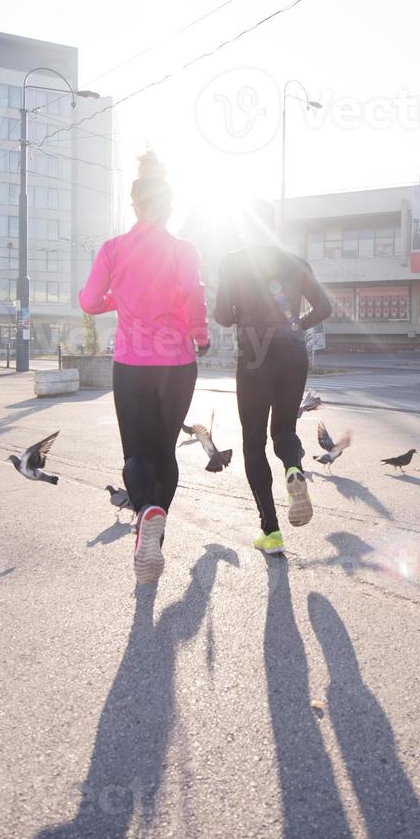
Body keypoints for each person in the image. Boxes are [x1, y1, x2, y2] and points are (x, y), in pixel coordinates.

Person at [79, 151, 209, 585]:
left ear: (133, 205)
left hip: (132, 364)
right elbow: (193, 296)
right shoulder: (183, 250)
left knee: (136, 453)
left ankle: (144, 518)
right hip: (177, 365)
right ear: (169, 207)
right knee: (165, 452)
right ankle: (154, 533)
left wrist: (118, 297)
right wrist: (202, 335)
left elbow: (88, 301)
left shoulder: (113, 250)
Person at [214, 200, 331, 555]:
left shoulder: (233, 261)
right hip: (293, 352)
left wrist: (237, 309)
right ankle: (294, 469)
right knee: (284, 431)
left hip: (254, 353)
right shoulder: (297, 263)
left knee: (253, 443)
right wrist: (295, 324)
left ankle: (271, 531)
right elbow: (324, 308)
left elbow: (221, 315)